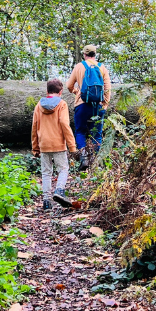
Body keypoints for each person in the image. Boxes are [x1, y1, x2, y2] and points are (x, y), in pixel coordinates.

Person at [31, 78, 76, 211]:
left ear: (47, 91)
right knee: (63, 169)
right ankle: (59, 190)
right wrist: (72, 146)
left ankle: (46, 201)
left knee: (46, 172)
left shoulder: (39, 105)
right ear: (61, 91)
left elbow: (34, 127)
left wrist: (35, 147)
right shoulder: (62, 104)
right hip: (58, 143)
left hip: (44, 144)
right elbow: (64, 123)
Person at [65, 44, 111, 169]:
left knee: (80, 131)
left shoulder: (79, 66)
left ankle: (84, 158)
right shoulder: (102, 67)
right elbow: (107, 88)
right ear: (95, 54)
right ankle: (96, 162)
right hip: (98, 106)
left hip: (82, 105)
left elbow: (69, 85)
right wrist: (105, 104)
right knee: (97, 134)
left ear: (84, 54)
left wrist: (77, 92)